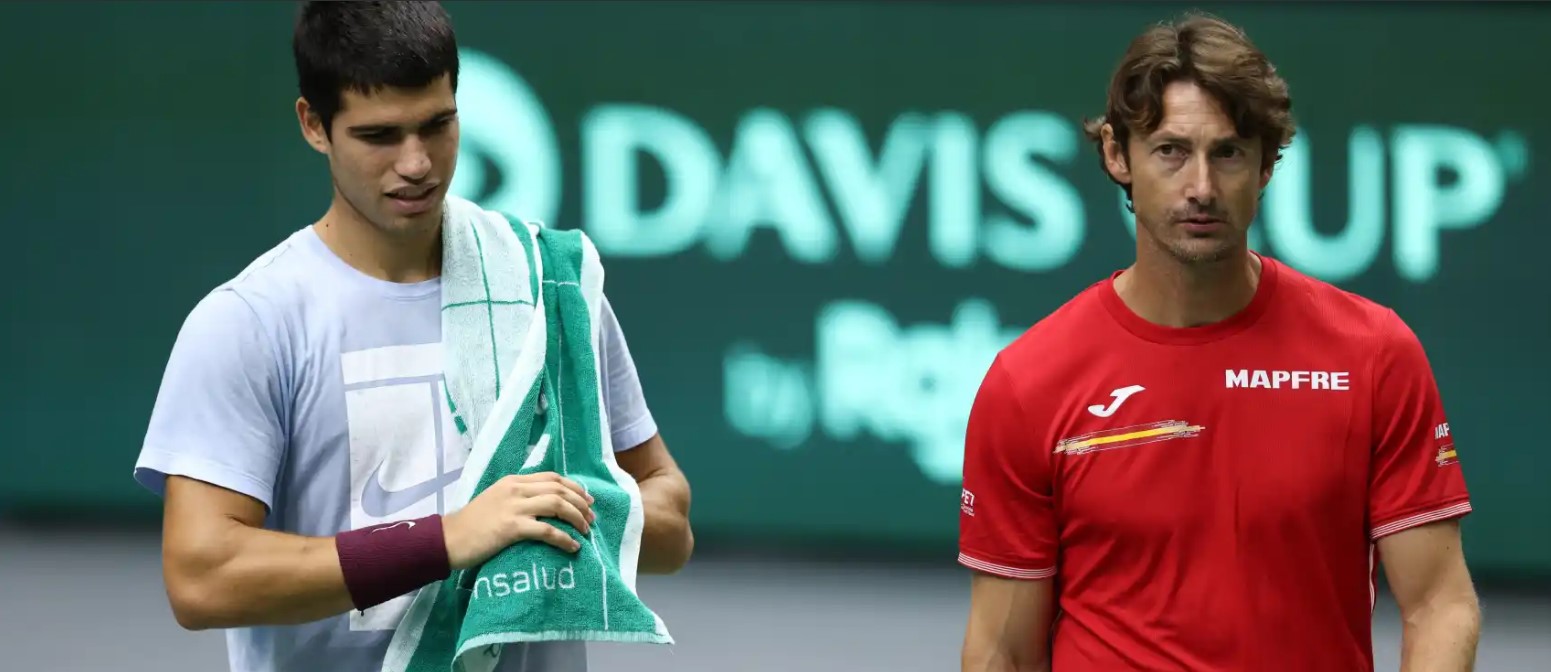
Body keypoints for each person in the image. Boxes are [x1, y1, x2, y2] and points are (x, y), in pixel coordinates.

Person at [132, 3, 693, 671]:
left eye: (438, 124)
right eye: (379, 136)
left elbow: (669, 526)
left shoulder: (544, 283)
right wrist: (449, 538)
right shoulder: (249, 322)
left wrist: (544, 519)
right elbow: (202, 579)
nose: (417, 163)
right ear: (315, 125)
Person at [958, 12, 1479, 672]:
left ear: (1264, 164)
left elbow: (1439, 605)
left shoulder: (1372, 353)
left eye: (1227, 152)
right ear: (1118, 155)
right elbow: (1001, 651)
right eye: (1170, 150)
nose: (1199, 187)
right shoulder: (1028, 381)